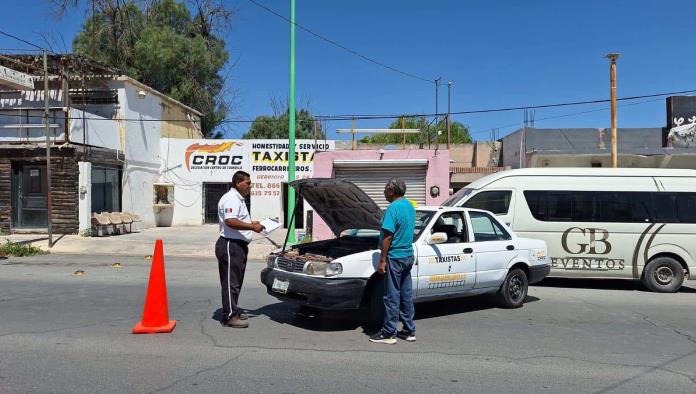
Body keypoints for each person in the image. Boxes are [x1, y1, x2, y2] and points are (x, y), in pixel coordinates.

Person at [369, 178, 417, 344]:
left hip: (395, 257)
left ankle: (389, 333)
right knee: (406, 294)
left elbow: (388, 236)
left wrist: (382, 260)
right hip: (408, 256)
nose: (383, 192)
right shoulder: (409, 206)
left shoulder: (392, 208)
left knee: (391, 296)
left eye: (384, 189)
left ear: (391, 191)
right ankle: (409, 330)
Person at [216, 170, 264, 328]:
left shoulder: (238, 199)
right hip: (231, 245)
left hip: (238, 245)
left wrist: (252, 222)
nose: (250, 186)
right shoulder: (231, 198)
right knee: (231, 282)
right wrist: (252, 226)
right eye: (248, 183)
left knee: (235, 282)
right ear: (238, 183)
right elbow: (230, 221)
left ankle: (233, 310)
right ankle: (229, 316)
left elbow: (238, 219)